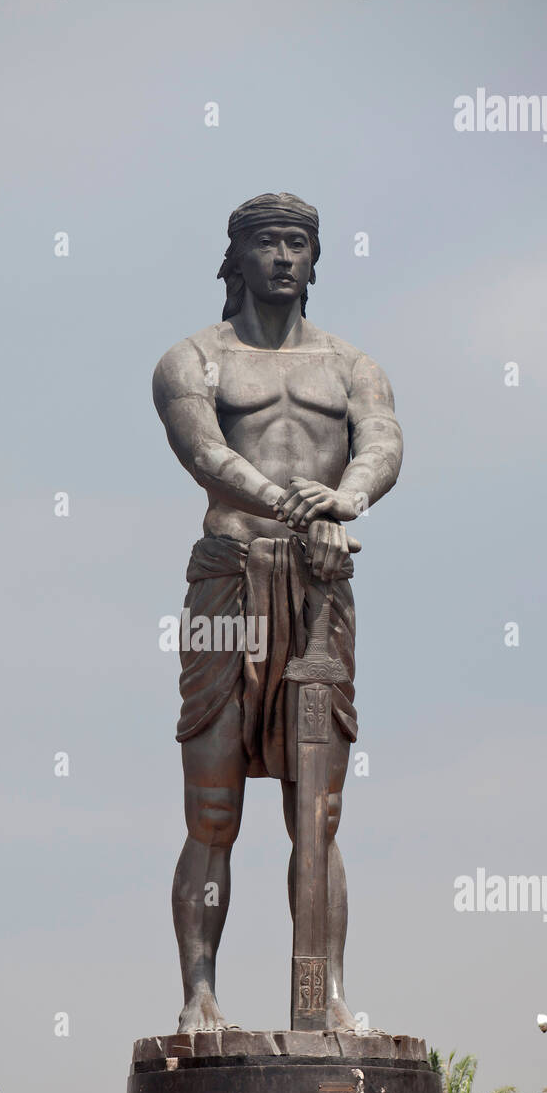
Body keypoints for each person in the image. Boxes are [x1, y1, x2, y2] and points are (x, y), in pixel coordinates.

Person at [152, 192, 403, 1032]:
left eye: (298, 243)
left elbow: (383, 442)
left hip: (321, 589)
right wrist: (297, 508)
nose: (284, 257)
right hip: (228, 581)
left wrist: (346, 501)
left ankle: (324, 998)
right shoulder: (194, 359)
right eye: (267, 244)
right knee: (214, 804)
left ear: (315, 258)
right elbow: (205, 453)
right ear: (238, 258)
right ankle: (199, 995)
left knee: (317, 813)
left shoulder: (351, 365)